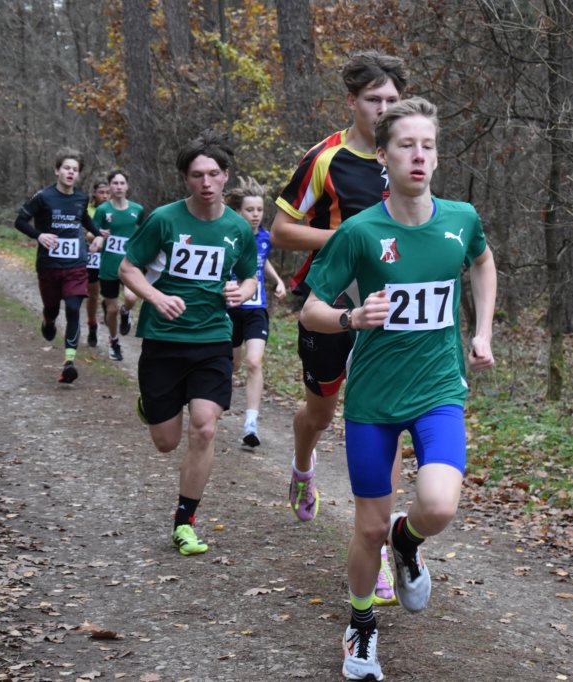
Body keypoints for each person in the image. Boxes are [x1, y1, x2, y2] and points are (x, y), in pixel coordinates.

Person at [299, 97, 497, 680]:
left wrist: (482, 331)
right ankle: (360, 627)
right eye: (406, 145)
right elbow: (311, 309)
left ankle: (405, 542)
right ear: (383, 156)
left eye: (427, 145)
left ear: (437, 157)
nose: (419, 155)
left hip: (438, 389)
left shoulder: (461, 218)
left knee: (438, 504)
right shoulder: (360, 232)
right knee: (366, 527)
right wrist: (351, 318)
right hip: (374, 400)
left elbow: (483, 263)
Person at [271, 50, 408, 605]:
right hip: (329, 302)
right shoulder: (325, 158)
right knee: (321, 413)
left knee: (383, 420)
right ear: (351, 101)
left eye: (392, 99)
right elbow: (281, 230)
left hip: (390, 308)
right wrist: (351, 239)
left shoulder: (409, 153)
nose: (383, 109)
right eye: (373, 99)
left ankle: (377, 549)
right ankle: (302, 466)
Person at [118, 130, 257, 557]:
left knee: (205, 427)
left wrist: (242, 292)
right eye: (197, 175)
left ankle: (185, 522)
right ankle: (153, 404)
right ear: (185, 179)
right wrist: (156, 298)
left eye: (213, 173)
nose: (206, 182)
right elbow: (128, 268)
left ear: (226, 175)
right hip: (164, 339)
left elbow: (249, 277)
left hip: (212, 339)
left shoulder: (238, 227)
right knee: (165, 442)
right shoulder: (164, 219)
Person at [14, 147, 105, 384]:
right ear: (57, 171)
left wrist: (98, 235)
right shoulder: (43, 197)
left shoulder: (81, 198)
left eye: (75, 169)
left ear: (78, 174)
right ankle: (48, 320)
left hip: (76, 265)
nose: (71, 172)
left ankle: (69, 362)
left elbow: (84, 219)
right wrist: (39, 235)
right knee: (52, 308)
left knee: (74, 308)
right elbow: (20, 221)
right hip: (49, 265)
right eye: (66, 168)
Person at [224, 179, 286, 446]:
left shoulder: (265, 237)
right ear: (238, 211)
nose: (256, 215)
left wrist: (278, 280)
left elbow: (263, 259)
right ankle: (214, 402)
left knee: (254, 362)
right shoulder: (228, 236)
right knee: (233, 364)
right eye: (250, 210)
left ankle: (251, 423)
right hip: (230, 308)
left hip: (256, 309)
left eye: (259, 210)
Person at [94, 170, 143, 362]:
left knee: (131, 297)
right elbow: (91, 233)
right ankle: (114, 341)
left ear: (127, 186)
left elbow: (144, 232)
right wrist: (97, 237)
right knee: (111, 309)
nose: (119, 187)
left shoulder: (137, 209)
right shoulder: (103, 210)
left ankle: (126, 311)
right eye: (115, 183)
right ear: (109, 186)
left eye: (122, 183)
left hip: (129, 264)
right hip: (108, 266)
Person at [85, 180, 111, 347]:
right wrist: (95, 233)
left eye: (108, 193)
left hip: (110, 256)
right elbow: (84, 232)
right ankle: (92, 324)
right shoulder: (88, 210)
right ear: (94, 194)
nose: (105, 196)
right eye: (101, 192)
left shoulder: (116, 210)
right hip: (93, 255)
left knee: (110, 292)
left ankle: (107, 303)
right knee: (93, 294)